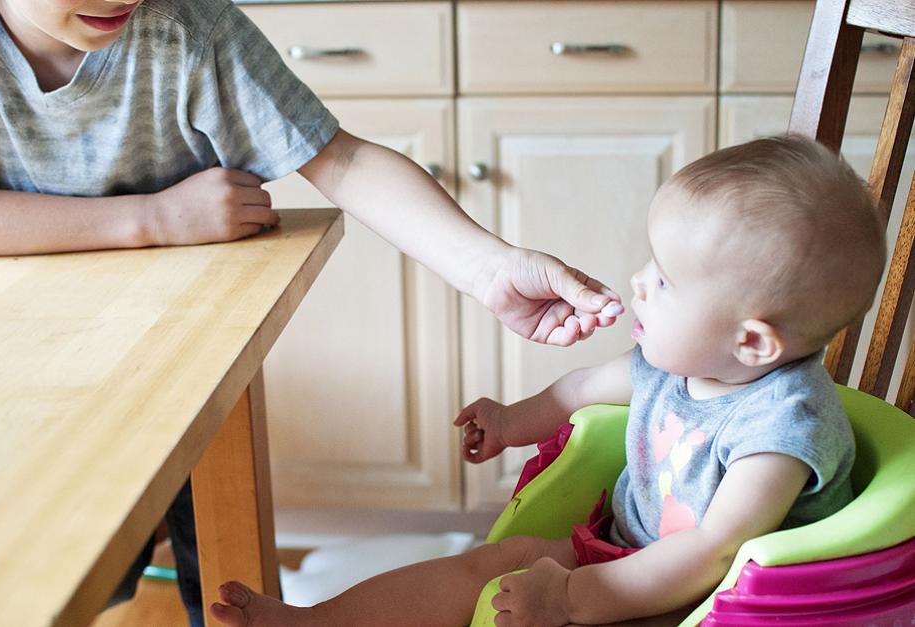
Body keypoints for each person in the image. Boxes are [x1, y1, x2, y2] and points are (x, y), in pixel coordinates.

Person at [0, 0, 625, 624]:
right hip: (15, 362)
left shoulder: (188, 27)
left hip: (179, 350)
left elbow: (339, 158)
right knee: (58, 566)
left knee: (214, 558)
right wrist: (154, 218)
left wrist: (489, 269)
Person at [210, 135, 887, 626]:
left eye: (666, 281)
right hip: (624, 550)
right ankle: (317, 621)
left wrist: (569, 598)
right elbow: (580, 388)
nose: (638, 282)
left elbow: (714, 554)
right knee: (491, 562)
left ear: (751, 341)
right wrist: (510, 420)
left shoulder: (778, 431)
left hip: (711, 602)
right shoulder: (679, 363)